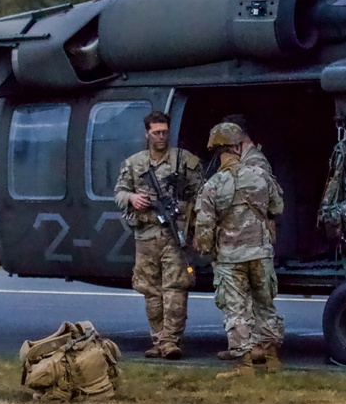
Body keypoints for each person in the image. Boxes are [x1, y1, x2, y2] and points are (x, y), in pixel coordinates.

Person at [194, 122, 285, 379]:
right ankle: (271, 358)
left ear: (216, 150)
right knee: (265, 305)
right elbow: (277, 208)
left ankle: (245, 366)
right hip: (260, 253)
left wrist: (210, 251)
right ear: (237, 146)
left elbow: (203, 231)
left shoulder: (212, 186)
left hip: (230, 258)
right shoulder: (261, 177)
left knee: (236, 311)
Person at [114, 111, 203, 359]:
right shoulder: (134, 164)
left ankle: (171, 341)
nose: (161, 136)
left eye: (164, 132)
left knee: (175, 288)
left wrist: (191, 220)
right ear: (147, 134)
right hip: (145, 236)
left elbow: (202, 194)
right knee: (151, 291)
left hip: (174, 237)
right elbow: (119, 193)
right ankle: (158, 339)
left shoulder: (183, 161)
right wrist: (132, 198)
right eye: (156, 132)